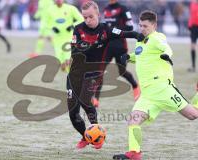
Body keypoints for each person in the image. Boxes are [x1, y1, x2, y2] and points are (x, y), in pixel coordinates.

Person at [113, 10, 198, 160]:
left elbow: (166, 48)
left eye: (145, 26)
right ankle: (134, 153)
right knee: (133, 120)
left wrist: (166, 55)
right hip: (147, 94)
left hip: (162, 89)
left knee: (193, 115)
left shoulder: (158, 37)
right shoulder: (141, 41)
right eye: (140, 25)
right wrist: (128, 57)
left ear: (154, 25)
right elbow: (141, 56)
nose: (142, 29)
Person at [67, 1, 145, 150]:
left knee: (85, 101)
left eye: (90, 16)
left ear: (97, 14)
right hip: (75, 74)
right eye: (85, 17)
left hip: (94, 74)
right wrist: (89, 47)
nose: (88, 20)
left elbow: (126, 33)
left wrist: (139, 35)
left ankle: (97, 135)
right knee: (73, 112)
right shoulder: (78, 29)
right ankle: (86, 136)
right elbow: (74, 52)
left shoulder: (106, 30)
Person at [103, 0, 140, 101]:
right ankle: (95, 98)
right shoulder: (106, 9)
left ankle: (135, 85)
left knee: (122, 71)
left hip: (120, 46)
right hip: (108, 46)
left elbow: (130, 26)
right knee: (100, 69)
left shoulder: (123, 9)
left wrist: (115, 30)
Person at [45, 0, 83, 72]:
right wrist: (52, 27)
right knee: (60, 60)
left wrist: (72, 26)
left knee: (67, 57)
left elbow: (81, 19)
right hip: (57, 38)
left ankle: (71, 76)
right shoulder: (49, 10)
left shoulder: (71, 8)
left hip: (69, 37)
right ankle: (63, 65)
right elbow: (45, 23)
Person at [188, 0, 198, 72]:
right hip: (194, 27)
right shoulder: (192, 3)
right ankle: (193, 66)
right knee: (192, 46)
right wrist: (190, 25)